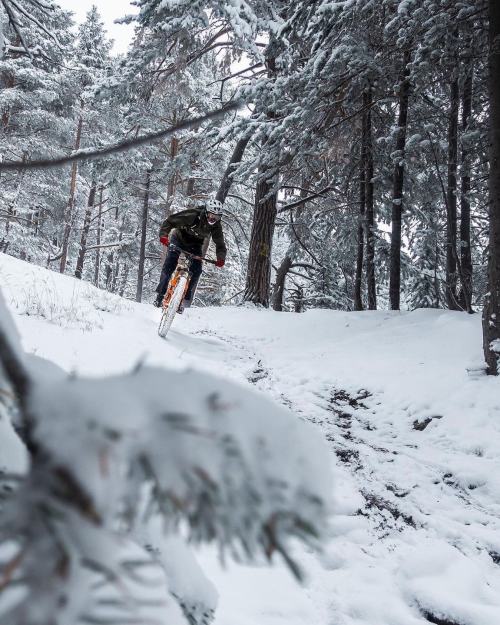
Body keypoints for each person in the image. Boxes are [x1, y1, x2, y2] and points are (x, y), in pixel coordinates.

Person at [154, 198, 227, 309]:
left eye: (217, 217)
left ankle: (182, 299)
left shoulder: (216, 226)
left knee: (197, 270)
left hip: (196, 244)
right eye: (211, 215)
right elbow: (170, 221)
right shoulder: (192, 215)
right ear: (206, 212)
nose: (213, 219)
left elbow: (220, 243)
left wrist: (221, 258)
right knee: (170, 264)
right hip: (179, 238)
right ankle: (160, 296)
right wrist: (164, 236)